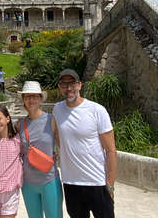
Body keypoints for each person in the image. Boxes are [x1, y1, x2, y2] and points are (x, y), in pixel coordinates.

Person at [52, 69, 117, 218]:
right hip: (71, 183)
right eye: (64, 84)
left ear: (79, 85)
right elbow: (55, 136)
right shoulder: (57, 109)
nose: (69, 88)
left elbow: (111, 151)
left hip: (97, 182)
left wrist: (110, 185)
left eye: (72, 83)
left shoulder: (97, 110)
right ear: (59, 87)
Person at [17, 81, 63, 218]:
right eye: (27, 96)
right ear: (23, 99)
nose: (31, 100)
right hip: (28, 183)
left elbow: (63, 146)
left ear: (40, 99)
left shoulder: (52, 120)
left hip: (49, 180)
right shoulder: (19, 124)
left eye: (34, 96)